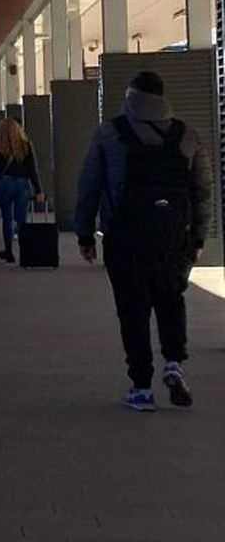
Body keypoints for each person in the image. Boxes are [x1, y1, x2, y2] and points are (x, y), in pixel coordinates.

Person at [75, 71, 211, 412]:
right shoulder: (188, 135)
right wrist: (197, 236)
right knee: (170, 298)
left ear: (131, 95)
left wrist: (84, 234)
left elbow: (89, 185)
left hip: (124, 237)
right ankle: (174, 363)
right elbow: (202, 193)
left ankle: (141, 388)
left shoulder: (110, 133)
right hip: (173, 236)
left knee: (132, 309)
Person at [0, 117, 45, 263]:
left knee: (7, 218)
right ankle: (25, 252)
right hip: (22, 183)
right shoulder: (26, 145)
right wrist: (39, 190)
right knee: (21, 219)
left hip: (4, 183)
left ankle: (9, 251)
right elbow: (32, 169)